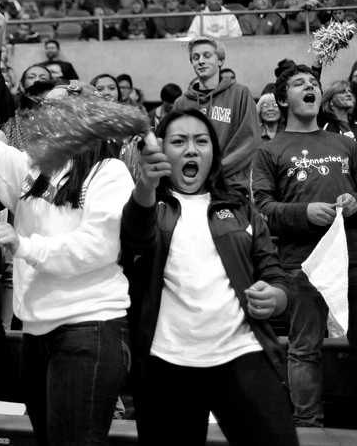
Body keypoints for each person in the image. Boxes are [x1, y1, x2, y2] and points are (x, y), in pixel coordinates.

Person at [0, 75, 134, 445]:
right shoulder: (32, 170)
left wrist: (25, 246)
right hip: (38, 332)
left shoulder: (109, 172)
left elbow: (99, 246)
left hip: (89, 327)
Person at [121, 109, 298, 446]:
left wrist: (275, 298)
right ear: (162, 151)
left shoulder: (241, 209)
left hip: (242, 353)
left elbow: (275, 274)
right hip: (165, 361)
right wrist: (146, 184)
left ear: (214, 154)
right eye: (178, 141)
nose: (191, 149)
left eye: (201, 141)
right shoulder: (148, 205)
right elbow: (134, 236)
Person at [251, 64, 357, 427]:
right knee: (304, 349)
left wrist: (355, 201)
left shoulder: (346, 144)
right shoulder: (270, 151)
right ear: (283, 99)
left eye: (314, 83)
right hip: (301, 264)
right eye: (299, 83)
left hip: (352, 259)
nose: (310, 86)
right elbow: (261, 209)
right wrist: (303, 213)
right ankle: (308, 426)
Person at [171, 36, 259, 196]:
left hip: (231, 185)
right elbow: (174, 146)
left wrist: (216, 170)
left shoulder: (240, 94)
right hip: (192, 186)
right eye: (196, 57)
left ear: (220, 60)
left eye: (207, 55)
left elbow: (250, 142)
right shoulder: (181, 103)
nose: (201, 61)